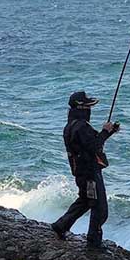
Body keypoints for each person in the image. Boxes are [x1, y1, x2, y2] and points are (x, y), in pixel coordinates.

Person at [51, 90, 119, 247]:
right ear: (81, 108)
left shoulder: (71, 125)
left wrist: (108, 133)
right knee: (99, 208)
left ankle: (61, 225)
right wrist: (105, 131)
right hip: (89, 173)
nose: (90, 110)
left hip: (81, 172)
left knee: (85, 201)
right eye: (87, 107)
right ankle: (94, 241)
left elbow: (89, 144)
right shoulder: (80, 127)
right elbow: (94, 146)